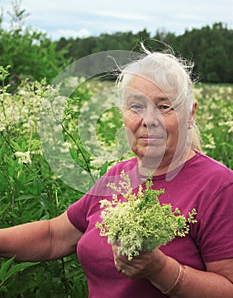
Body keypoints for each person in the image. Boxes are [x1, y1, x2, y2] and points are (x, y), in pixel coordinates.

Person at [1, 49, 233, 298]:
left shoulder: (219, 187)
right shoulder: (118, 176)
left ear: (190, 114)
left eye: (164, 106)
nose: (148, 120)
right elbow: (53, 236)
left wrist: (161, 270)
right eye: (136, 106)